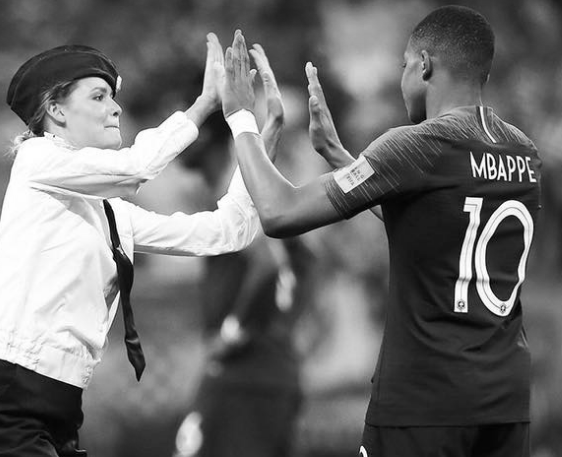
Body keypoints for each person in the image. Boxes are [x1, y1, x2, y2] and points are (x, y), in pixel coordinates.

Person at [220, 5, 541, 457]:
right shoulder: (522, 151)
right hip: (504, 399)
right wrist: (336, 154)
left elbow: (279, 212)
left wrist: (241, 120)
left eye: (404, 65)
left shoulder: (417, 144)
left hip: (423, 401)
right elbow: (430, 223)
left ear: (424, 64)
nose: (402, 77)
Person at [0, 33, 263, 457]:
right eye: (98, 96)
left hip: (59, 404)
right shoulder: (36, 160)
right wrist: (204, 105)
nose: (114, 107)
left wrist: (248, 128)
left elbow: (227, 232)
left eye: (112, 97)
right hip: (3, 396)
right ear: (54, 109)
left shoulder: (111, 214)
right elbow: (136, 167)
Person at [173, 44, 316, 457]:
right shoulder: (256, 189)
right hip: (263, 375)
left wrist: (233, 330)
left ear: (215, 136)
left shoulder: (237, 189)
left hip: (248, 377)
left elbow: (269, 265)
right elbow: (302, 266)